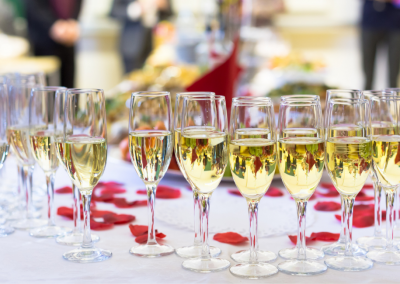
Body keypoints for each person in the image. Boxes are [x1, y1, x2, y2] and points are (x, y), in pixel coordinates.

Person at [24, 0, 82, 88]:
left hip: (68, 36)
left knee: (68, 88)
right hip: (43, 38)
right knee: (45, 89)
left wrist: (72, 22)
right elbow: (34, 6)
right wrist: (53, 25)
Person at [110, 0, 171, 74]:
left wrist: (164, 6)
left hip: (157, 40)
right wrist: (135, 9)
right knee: (132, 79)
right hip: (132, 41)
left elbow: (170, 12)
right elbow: (114, 11)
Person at [361, 0, 400, 89]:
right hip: (370, 20)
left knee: (394, 77)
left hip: (395, 22)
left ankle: (392, 101)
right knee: (368, 76)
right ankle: (366, 99)